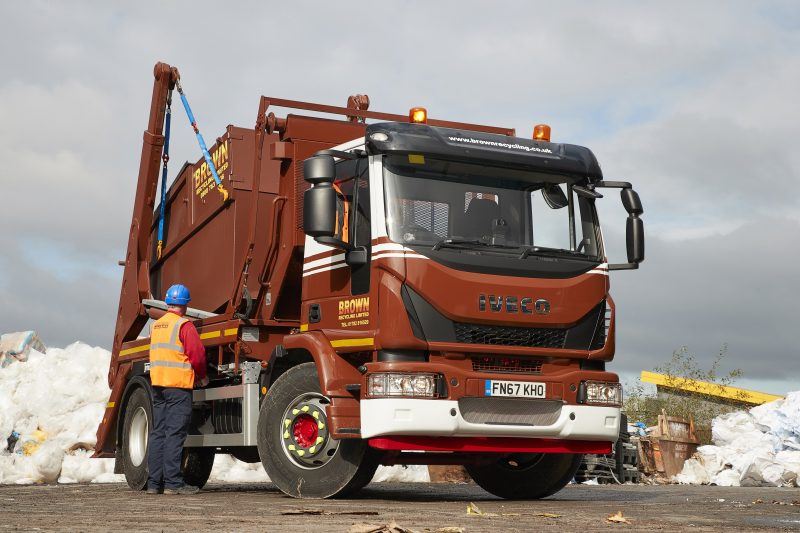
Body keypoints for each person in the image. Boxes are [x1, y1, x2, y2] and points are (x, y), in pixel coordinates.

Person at [146, 284, 208, 495]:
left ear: (168, 302)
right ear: (185, 304)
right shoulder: (184, 326)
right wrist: (202, 376)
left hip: (158, 386)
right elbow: (197, 356)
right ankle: (173, 484)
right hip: (178, 387)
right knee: (174, 434)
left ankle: (154, 484)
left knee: (158, 434)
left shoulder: (157, 326)